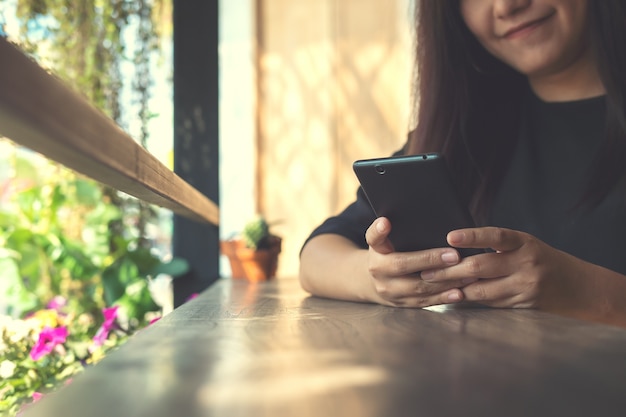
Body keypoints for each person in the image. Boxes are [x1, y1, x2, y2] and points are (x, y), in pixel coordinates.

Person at [299, 0, 626, 326]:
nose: (506, 7)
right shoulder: (465, 133)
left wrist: (585, 292)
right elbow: (317, 255)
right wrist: (379, 280)